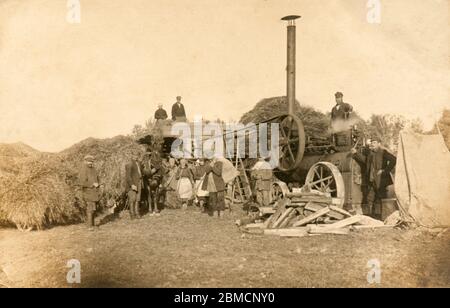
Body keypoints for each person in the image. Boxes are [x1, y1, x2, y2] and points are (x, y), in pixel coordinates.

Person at [351, 137, 396, 219]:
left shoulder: (383, 152)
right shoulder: (370, 154)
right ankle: (372, 216)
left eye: (374, 142)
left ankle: (382, 216)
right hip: (371, 179)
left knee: (380, 197)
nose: (372, 144)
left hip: (381, 179)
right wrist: (356, 154)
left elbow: (394, 160)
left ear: (379, 144)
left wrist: (385, 170)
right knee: (370, 198)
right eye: (372, 142)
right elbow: (365, 161)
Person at [78, 155, 101, 231]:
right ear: (85, 162)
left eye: (91, 161)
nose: (90, 163)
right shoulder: (83, 170)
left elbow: (97, 179)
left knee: (94, 209)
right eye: (89, 161)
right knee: (90, 209)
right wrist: (92, 184)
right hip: (88, 192)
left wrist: (99, 184)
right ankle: (89, 226)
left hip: (94, 193)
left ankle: (93, 225)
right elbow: (82, 183)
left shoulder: (94, 169)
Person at [142, 151, 164, 216]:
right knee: (149, 193)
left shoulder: (154, 161)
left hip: (154, 179)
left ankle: (155, 208)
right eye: (148, 155)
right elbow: (144, 172)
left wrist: (155, 169)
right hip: (147, 179)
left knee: (156, 194)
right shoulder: (144, 163)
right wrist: (150, 172)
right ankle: (150, 208)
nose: (149, 156)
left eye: (149, 155)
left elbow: (159, 167)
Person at [125, 153, 143, 219]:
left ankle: (137, 213)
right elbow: (128, 176)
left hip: (139, 182)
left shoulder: (138, 163)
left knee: (138, 199)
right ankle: (132, 214)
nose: (136, 156)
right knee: (132, 199)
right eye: (134, 155)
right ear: (131, 156)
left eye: (137, 155)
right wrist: (132, 184)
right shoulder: (129, 164)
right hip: (133, 184)